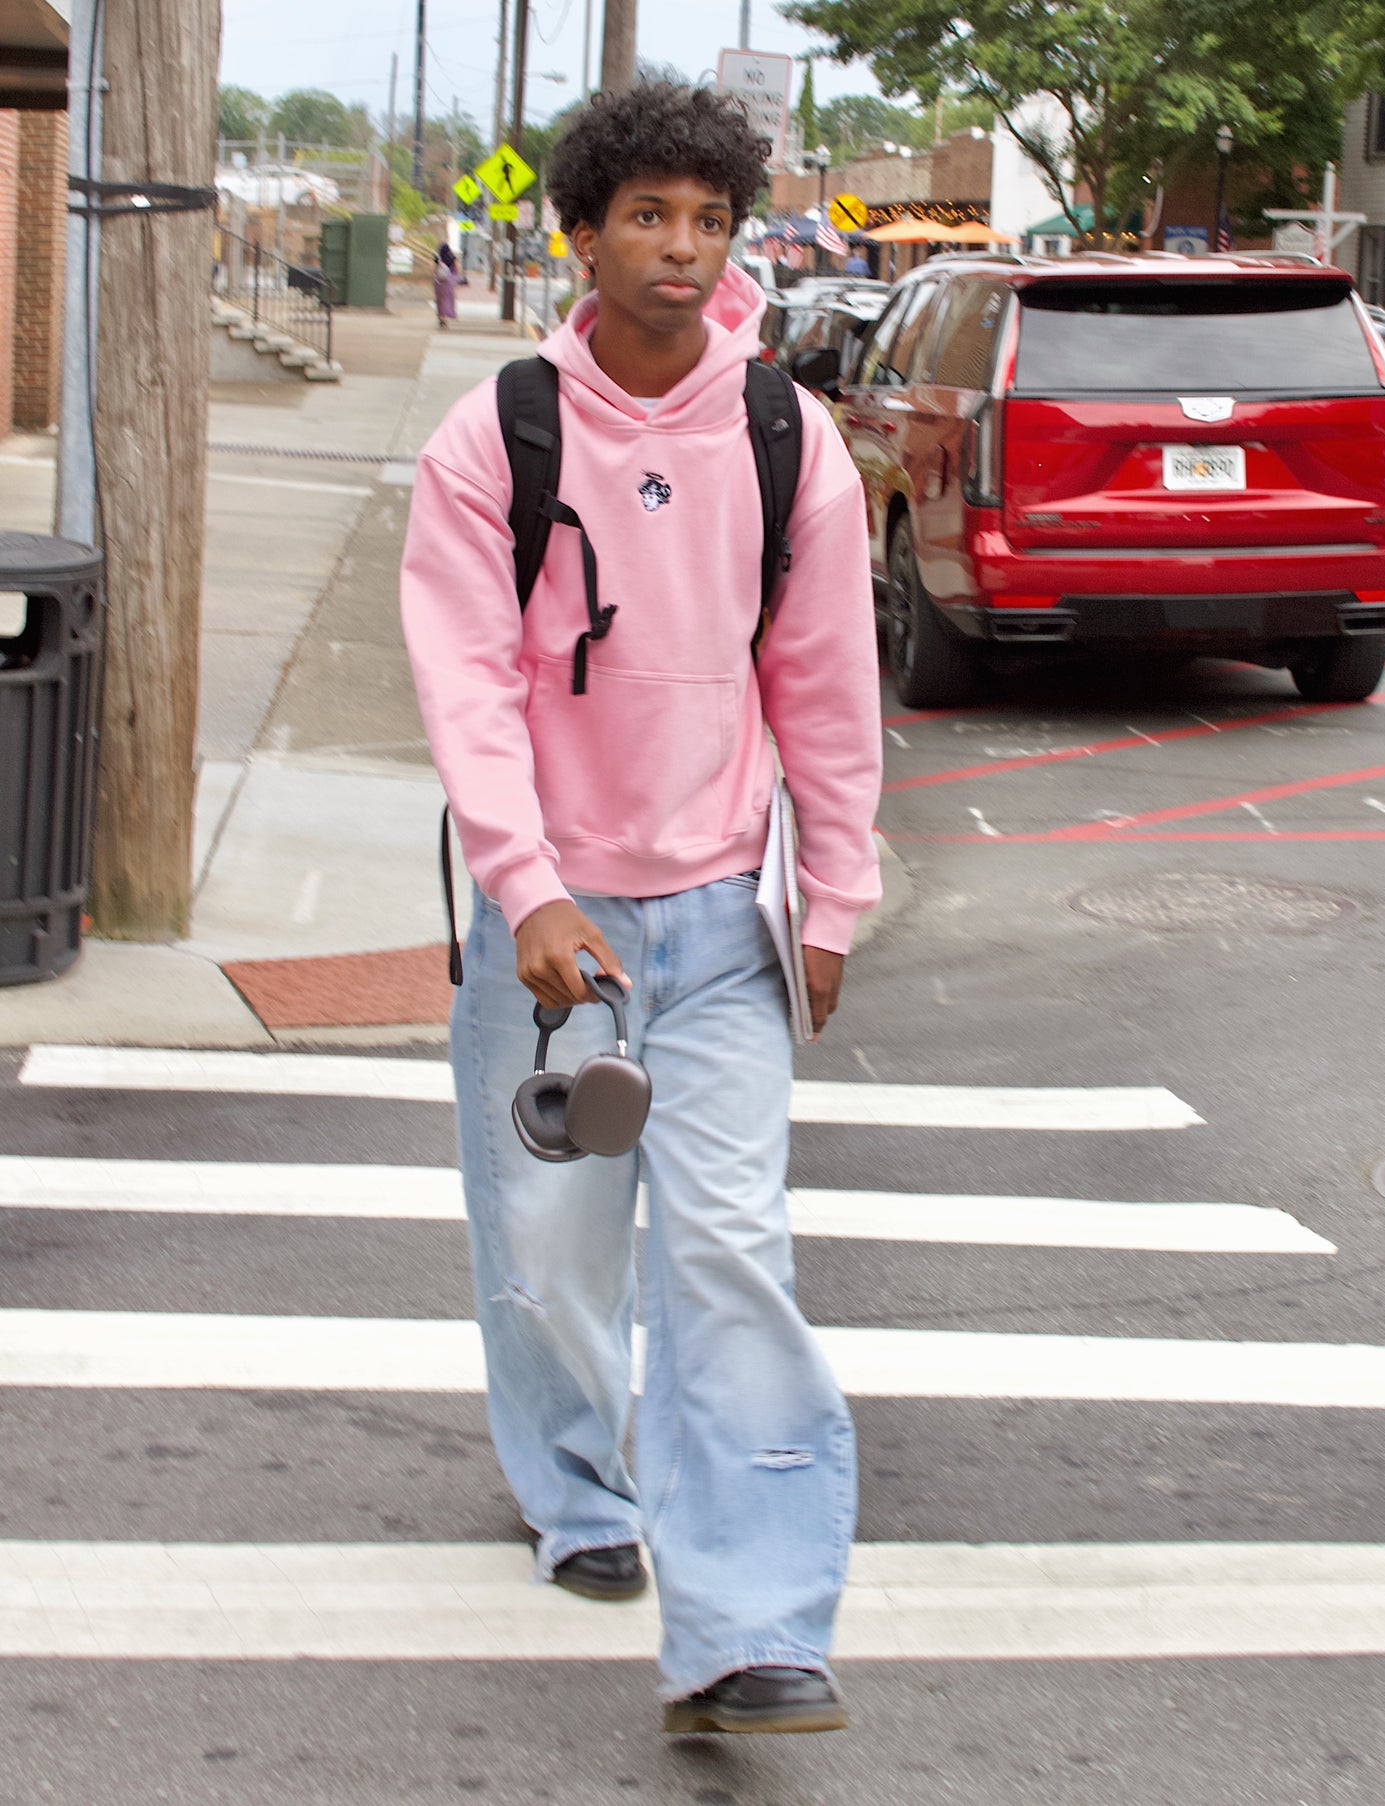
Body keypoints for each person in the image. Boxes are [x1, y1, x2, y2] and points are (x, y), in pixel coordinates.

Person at [401, 82, 881, 1734]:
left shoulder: (784, 434)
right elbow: (466, 683)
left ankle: (752, 1619)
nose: (683, 248)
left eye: (709, 218)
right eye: (649, 215)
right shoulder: (502, 433)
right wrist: (523, 887)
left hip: (726, 915)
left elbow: (824, 686)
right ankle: (582, 1490)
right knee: (549, 1251)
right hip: (560, 929)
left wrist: (836, 894)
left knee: (735, 1254)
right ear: (584, 230)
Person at [433, 240, 459, 327]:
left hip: (439, 282)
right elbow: (457, 268)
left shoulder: (437, 258)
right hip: (449, 281)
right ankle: (446, 318)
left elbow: (434, 269)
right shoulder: (452, 257)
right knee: (448, 300)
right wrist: (455, 277)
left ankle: (441, 317)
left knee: (440, 301)